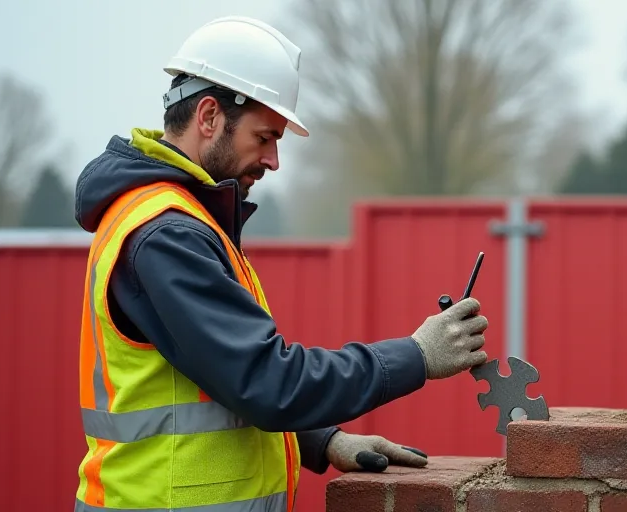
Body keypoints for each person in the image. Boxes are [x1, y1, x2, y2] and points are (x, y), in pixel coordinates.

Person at [71, 16, 489, 512]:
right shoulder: (168, 235)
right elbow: (267, 381)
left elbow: (219, 378)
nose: (273, 161)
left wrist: (322, 439)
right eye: (264, 137)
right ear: (209, 117)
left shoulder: (177, 221)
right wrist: (416, 355)